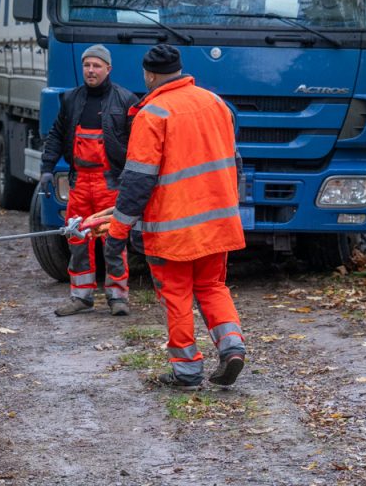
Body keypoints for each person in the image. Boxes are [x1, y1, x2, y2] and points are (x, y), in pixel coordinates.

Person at [90, 43, 247, 389]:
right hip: (217, 221)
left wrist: (118, 230)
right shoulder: (216, 104)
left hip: (172, 228)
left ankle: (187, 370)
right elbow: (235, 164)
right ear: (179, 70)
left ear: (149, 74)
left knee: (176, 295)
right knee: (212, 286)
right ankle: (232, 346)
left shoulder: (153, 113)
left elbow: (137, 181)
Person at [40, 44, 139, 317]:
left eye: (96, 66)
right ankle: (81, 297)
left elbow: (137, 143)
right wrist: (47, 167)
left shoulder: (126, 100)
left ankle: (118, 298)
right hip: (80, 183)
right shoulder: (71, 99)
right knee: (77, 240)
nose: (91, 70)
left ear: (108, 69)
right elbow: (57, 135)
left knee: (114, 241)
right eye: (87, 65)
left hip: (111, 184)